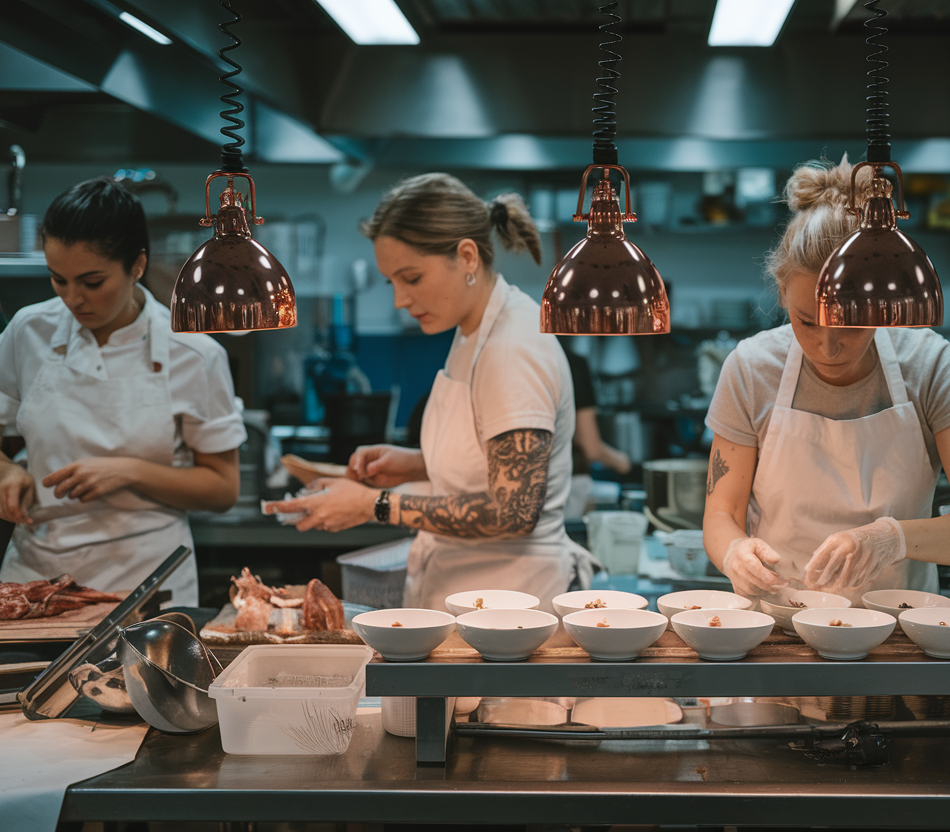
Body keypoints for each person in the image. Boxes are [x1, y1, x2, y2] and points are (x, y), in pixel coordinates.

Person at [266, 173, 593, 614]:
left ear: (467, 256)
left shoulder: (510, 348)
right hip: (475, 598)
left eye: (412, 277)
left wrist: (376, 505)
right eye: (392, 282)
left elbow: (513, 509)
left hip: (513, 608)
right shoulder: (473, 332)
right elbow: (495, 461)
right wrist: (414, 464)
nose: (401, 299)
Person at [703, 159, 950, 605]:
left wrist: (891, 538)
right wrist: (733, 551)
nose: (828, 347)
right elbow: (721, 513)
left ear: (882, 302)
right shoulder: (751, 369)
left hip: (903, 631)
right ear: (782, 292)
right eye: (806, 321)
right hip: (780, 627)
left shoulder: (929, 364)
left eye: (850, 324)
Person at [0, 177, 245, 605]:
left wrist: (128, 471)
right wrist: (5, 470)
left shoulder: (193, 353)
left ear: (137, 265)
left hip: (144, 581)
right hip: (36, 578)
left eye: (92, 282)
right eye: (58, 279)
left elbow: (222, 488)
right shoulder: (27, 330)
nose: (73, 299)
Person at [560, 339, 632, 520]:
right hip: (565, 485)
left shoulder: (512, 361)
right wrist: (622, 463)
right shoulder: (571, 362)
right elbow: (590, 448)